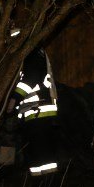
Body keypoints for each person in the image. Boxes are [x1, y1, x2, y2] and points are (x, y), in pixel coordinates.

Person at [11, 31, 61, 177]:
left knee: (41, 156)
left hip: (38, 111)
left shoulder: (30, 54)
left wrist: (14, 98)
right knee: (41, 158)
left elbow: (30, 79)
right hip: (38, 112)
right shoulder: (36, 52)